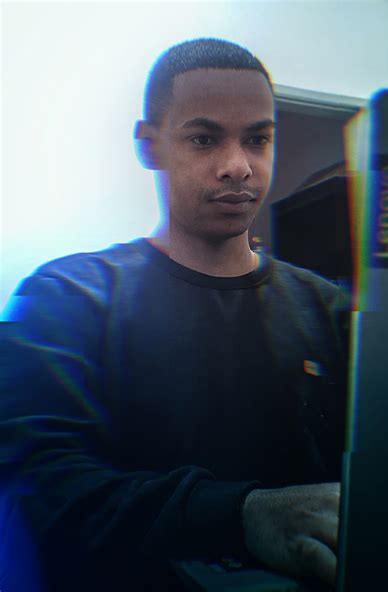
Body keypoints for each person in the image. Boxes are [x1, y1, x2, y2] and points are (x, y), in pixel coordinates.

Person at [0, 38, 350, 591]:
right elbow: (43, 489)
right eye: (204, 138)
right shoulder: (66, 299)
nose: (238, 167)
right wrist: (243, 516)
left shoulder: (329, 311)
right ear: (149, 145)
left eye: (257, 139)